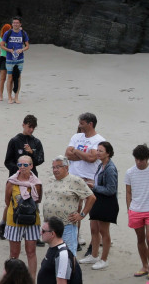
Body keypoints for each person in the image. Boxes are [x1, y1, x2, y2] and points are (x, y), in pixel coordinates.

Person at [64, 112, 103, 248]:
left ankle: (99, 239)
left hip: (90, 178)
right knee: (76, 208)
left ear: (90, 124)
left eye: (82, 123)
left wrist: (76, 152)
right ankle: (76, 235)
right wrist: (84, 155)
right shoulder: (76, 136)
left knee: (94, 210)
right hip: (75, 178)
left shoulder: (98, 140)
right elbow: (67, 154)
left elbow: (92, 158)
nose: (79, 126)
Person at [5, 154, 43, 279]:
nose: (22, 167)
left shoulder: (36, 183)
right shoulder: (11, 182)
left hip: (32, 220)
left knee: (31, 252)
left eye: (25, 165)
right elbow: (7, 202)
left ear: (31, 166)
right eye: (20, 164)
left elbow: (38, 200)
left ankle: (32, 279)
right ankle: (13, 279)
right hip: (14, 220)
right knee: (14, 253)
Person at [125, 144, 149, 278]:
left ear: (147, 159)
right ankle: (144, 265)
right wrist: (129, 209)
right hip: (136, 210)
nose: (139, 162)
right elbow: (128, 192)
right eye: (137, 159)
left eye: (142, 160)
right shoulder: (130, 172)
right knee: (140, 239)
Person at [82, 142, 117, 270]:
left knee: (104, 232)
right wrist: (91, 183)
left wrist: (94, 186)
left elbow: (111, 190)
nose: (97, 152)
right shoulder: (101, 165)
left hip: (106, 203)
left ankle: (104, 259)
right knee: (94, 229)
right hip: (97, 200)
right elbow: (99, 182)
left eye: (101, 151)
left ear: (108, 153)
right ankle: (94, 255)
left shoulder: (110, 169)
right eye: (97, 150)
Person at [38, 217, 83, 284]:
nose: (41, 233)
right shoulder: (53, 248)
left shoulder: (62, 255)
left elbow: (62, 282)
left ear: (52, 234)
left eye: (43, 231)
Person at [0, 17, 29, 103]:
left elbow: (27, 46)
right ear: (12, 24)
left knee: (18, 78)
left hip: (20, 58)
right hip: (9, 58)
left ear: (20, 24)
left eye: (17, 23)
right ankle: (9, 97)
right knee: (10, 78)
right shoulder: (8, 33)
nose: (15, 24)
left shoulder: (23, 33)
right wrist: (9, 50)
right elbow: (2, 45)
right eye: (14, 23)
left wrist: (22, 50)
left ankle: (16, 97)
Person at [0, 23, 12, 101]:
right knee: (2, 78)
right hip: (3, 59)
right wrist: (3, 41)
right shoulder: (0, 38)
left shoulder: (12, 38)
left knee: (10, 78)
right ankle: (1, 95)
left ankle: (9, 95)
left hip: (11, 59)